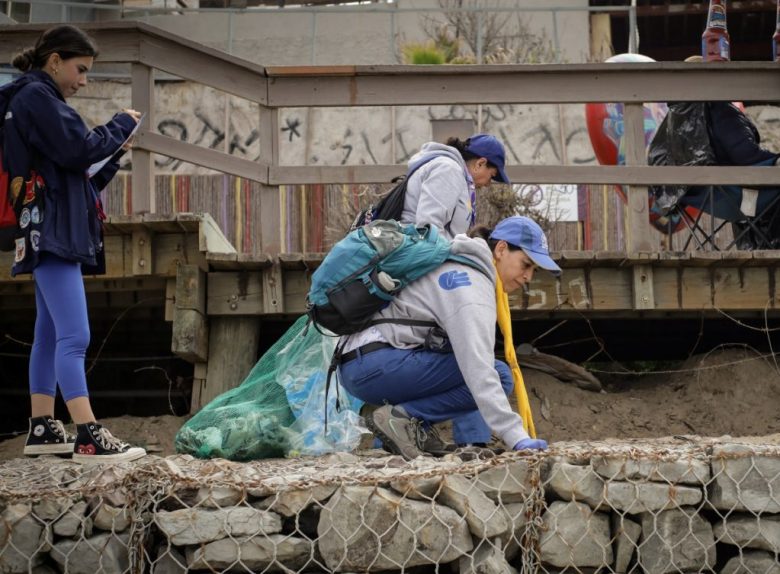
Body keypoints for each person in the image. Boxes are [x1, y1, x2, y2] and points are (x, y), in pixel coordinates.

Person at [1, 25, 146, 463]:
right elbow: (79, 150)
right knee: (74, 336)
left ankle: (43, 427)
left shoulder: (28, 102)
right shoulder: (37, 99)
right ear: (54, 61)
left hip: (42, 226)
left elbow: (73, 172)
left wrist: (114, 153)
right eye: (80, 70)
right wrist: (120, 124)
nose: (83, 80)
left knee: (48, 334)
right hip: (53, 233)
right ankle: (87, 433)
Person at [337, 216, 558, 459]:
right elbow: (479, 368)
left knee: (460, 357)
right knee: (500, 374)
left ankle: (409, 426)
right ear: (502, 249)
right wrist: (517, 437)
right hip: (375, 364)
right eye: (526, 264)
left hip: (361, 364)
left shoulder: (457, 262)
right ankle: (402, 418)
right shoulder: (470, 285)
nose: (528, 277)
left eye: (533, 270)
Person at [680, 55, 780, 248]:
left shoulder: (677, 119)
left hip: (704, 195)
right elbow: (747, 156)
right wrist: (774, 159)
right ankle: (770, 244)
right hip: (735, 194)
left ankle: (752, 244)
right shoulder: (721, 110)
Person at [401, 134, 510, 240]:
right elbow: (429, 229)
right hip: (419, 253)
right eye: (491, 176)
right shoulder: (449, 170)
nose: (488, 184)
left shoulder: (459, 176)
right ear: (480, 164)